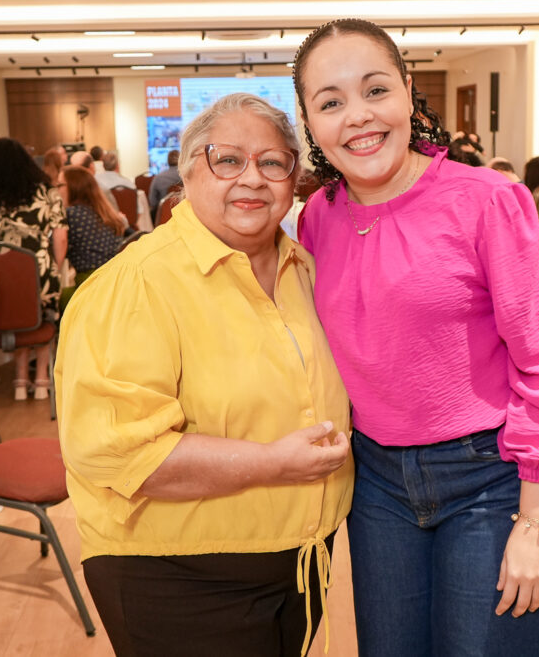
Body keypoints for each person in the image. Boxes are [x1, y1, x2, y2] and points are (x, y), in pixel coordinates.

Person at [292, 19, 539, 656]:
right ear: (310, 123)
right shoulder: (319, 216)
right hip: (375, 482)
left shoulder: (485, 199)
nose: (357, 117)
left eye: (375, 90)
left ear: (407, 91)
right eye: (330, 102)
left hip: (492, 478)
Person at [56, 92, 352, 657]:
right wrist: (272, 463)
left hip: (298, 563)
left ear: (294, 180)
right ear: (186, 173)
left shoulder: (307, 273)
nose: (253, 179)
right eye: (227, 160)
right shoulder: (136, 285)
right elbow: (117, 452)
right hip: (179, 578)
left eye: (272, 162)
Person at [0, 137, 67, 402]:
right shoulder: (47, 191)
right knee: (44, 316)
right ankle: (42, 380)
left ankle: (20, 379)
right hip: (39, 268)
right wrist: (54, 268)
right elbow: (60, 237)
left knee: (17, 316)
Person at [59, 165, 124, 310]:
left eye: (60, 185)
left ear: (74, 187)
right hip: (115, 286)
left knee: (53, 301)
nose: (57, 189)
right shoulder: (106, 212)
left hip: (89, 288)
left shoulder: (71, 215)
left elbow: (58, 252)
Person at [96, 150, 153, 232]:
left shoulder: (96, 182)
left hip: (104, 227)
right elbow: (139, 211)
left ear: (103, 165)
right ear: (117, 166)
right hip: (127, 228)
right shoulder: (129, 184)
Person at [148, 149, 181, 221]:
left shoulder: (158, 177)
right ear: (180, 160)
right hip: (185, 215)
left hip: (163, 218)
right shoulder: (187, 177)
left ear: (168, 161)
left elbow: (152, 201)